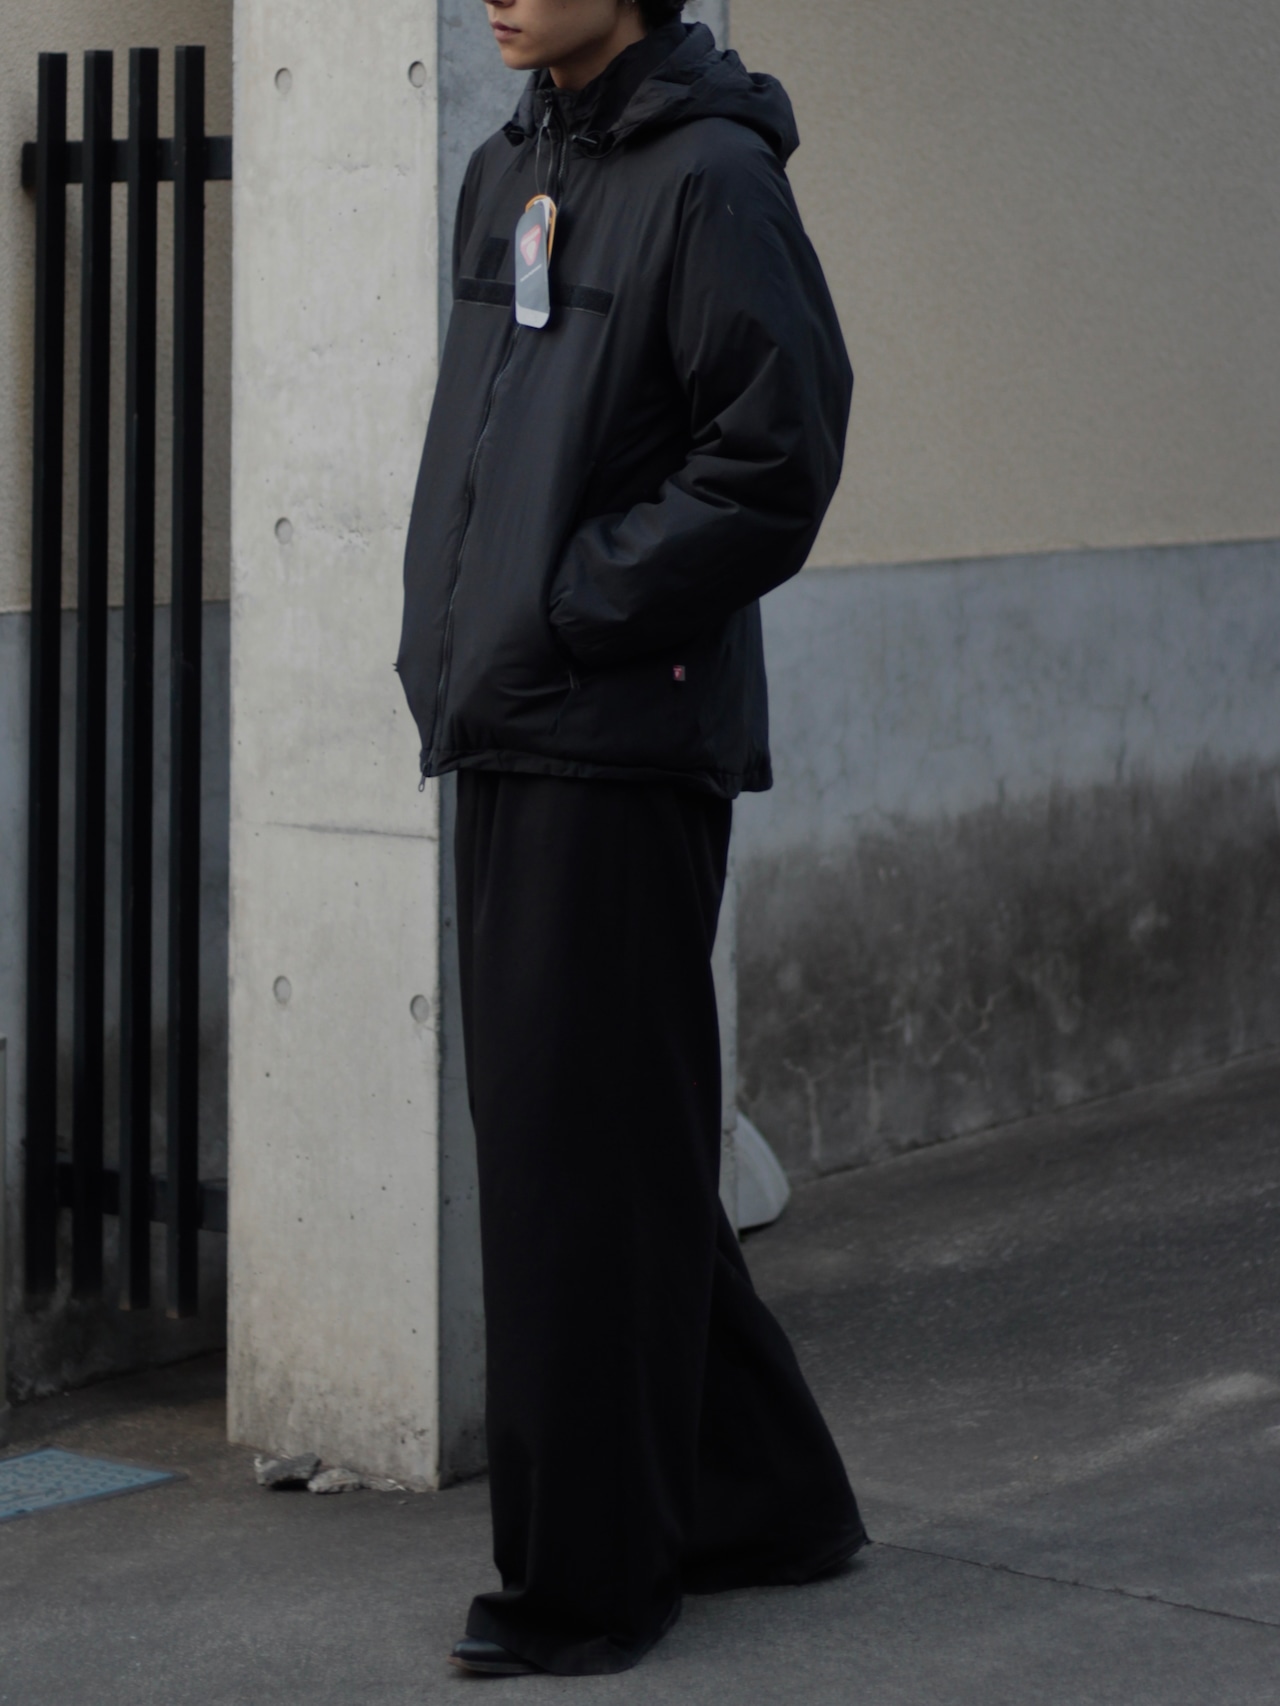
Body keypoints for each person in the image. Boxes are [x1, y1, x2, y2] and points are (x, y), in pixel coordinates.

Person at [397, 0, 866, 1678]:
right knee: (615, 1148)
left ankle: (587, 1583)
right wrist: (465, 631)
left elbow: (778, 453)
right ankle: (762, 1494)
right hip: (516, 715)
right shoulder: (510, 164)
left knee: (569, 1172)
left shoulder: (714, 180)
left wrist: (571, 604)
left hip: (616, 734)